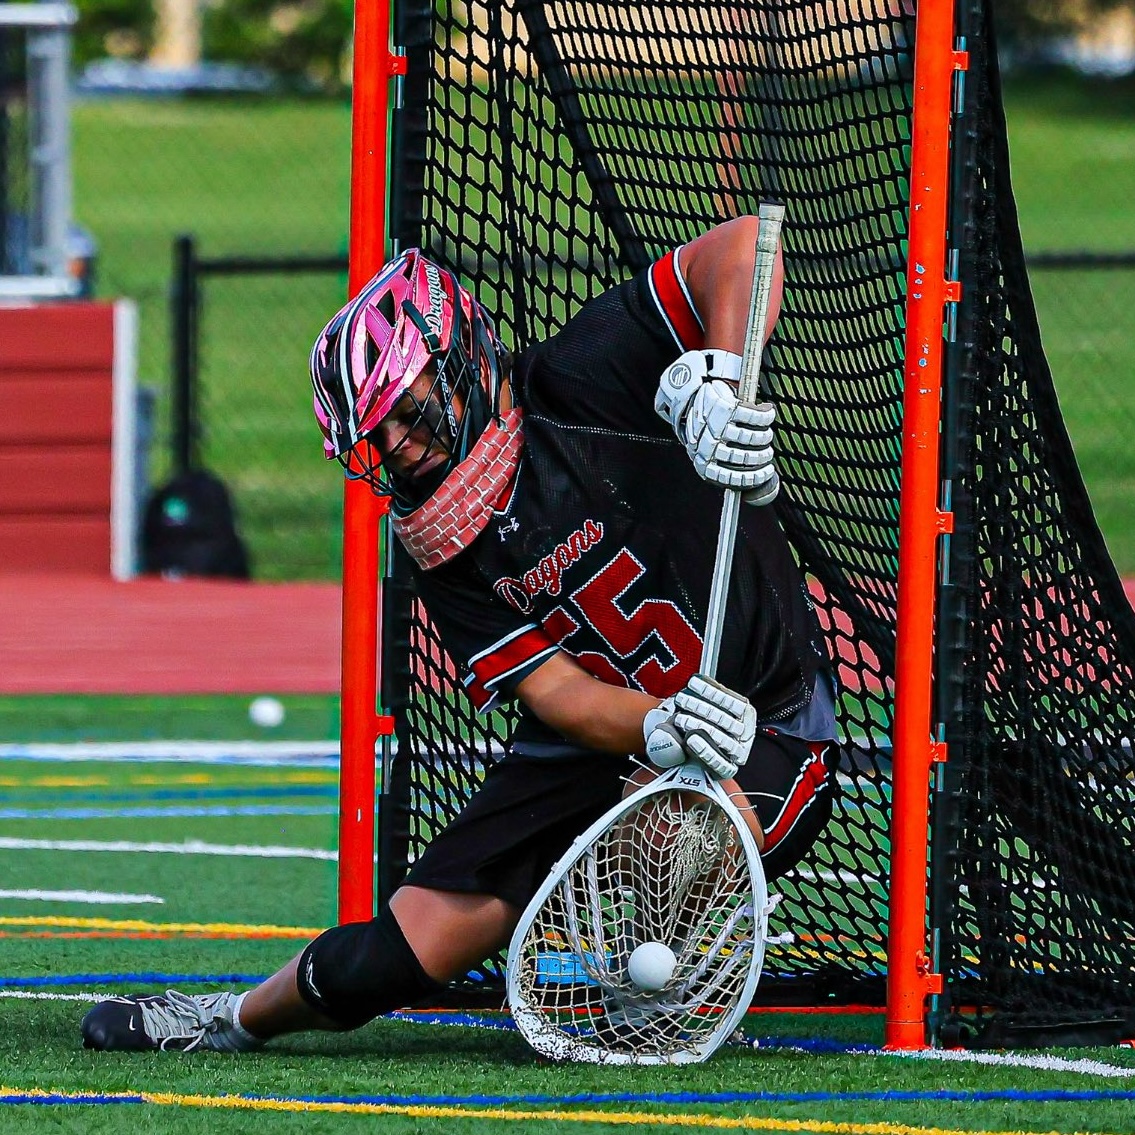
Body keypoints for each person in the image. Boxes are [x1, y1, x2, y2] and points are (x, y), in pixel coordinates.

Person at [80, 214, 837, 1054]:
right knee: (408, 949)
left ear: (459, 357)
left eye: (405, 412)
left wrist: (716, 383)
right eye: (378, 436)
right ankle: (225, 1018)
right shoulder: (443, 538)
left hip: (763, 717)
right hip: (610, 733)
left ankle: (658, 970)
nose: (399, 448)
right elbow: (555, 692)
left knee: (670, 831)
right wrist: (657, 723)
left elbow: (742, 245)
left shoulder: (582, 379)